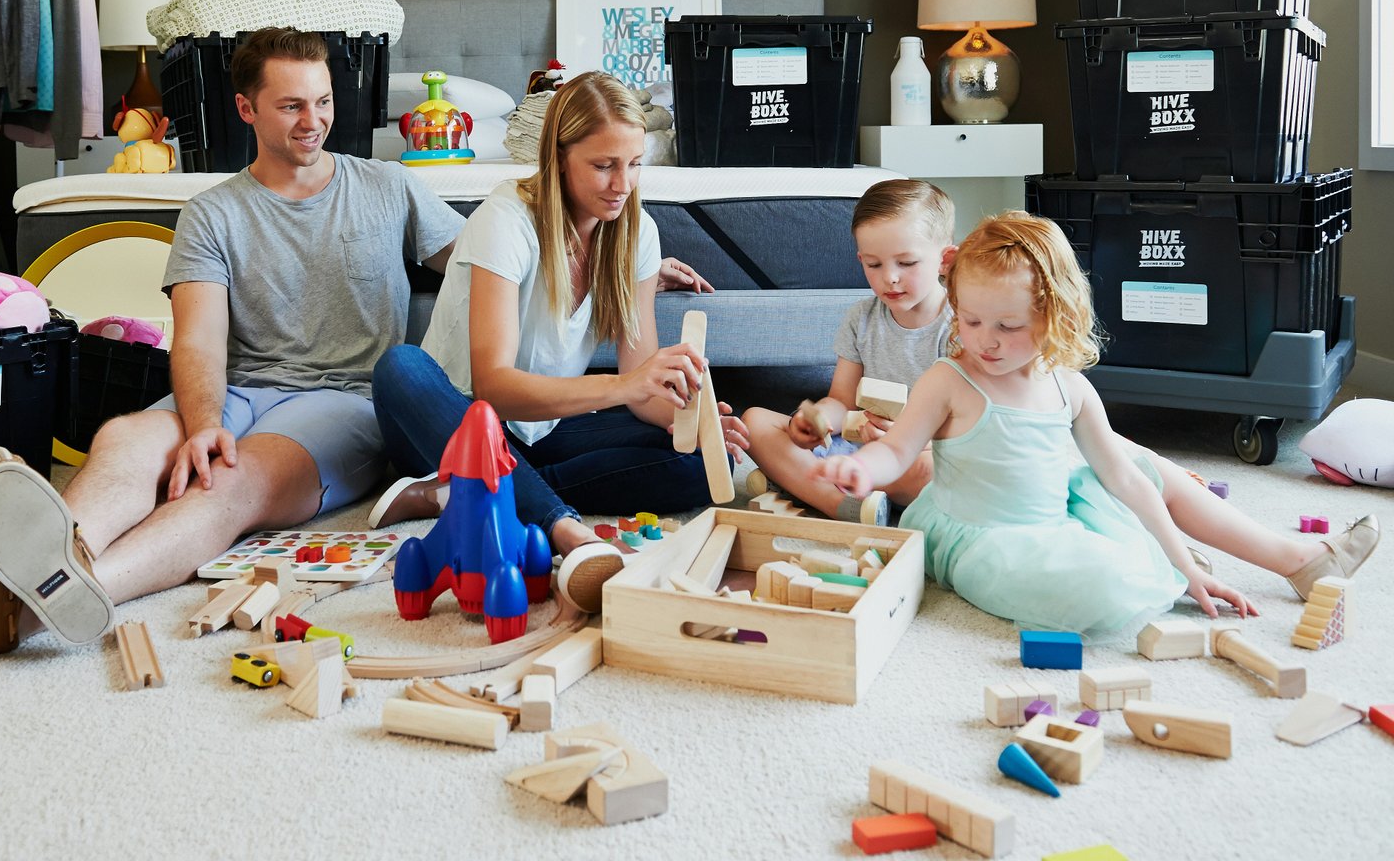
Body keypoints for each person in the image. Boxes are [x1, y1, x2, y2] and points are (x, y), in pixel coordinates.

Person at [0, 27, 465, 660]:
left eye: (323, 101)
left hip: (340, 402)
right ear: (246, 108)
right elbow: (198, 338)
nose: (314, 121)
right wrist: (203, 425)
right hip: (236, 389)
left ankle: (40, 607)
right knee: (125, 439)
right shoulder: (213, 213)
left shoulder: (389, 186)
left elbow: (481, 271)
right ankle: (52, 558)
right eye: (291, 106)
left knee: (226, 484)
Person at [813, 210, 1380, 640]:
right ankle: (1165, 565)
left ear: (1053, 316)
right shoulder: (949, 380)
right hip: (985, 538)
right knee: (1106, 582)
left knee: (1138, 473)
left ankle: (1231, 562)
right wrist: (862, 467)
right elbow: (898, 450)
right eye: (971, 319)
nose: (986, 340)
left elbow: (1127, 481)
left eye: (1009, 326)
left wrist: (1184, 567)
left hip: (1053, 518)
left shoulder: (1070, 387)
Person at [368, 71, 746, 613]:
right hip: (451, 427)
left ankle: (463, 496)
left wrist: (693, 420)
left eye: (635, 164)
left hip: (541, 428)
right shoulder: (506, 220)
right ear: (560, 156)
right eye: (604, 165)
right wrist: (624, 386)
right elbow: (494, 389)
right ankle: (563, 528)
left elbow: (644, 385)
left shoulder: (636, 231)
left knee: (706, 466)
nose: (622, 184)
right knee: (400, 367)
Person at [742, 179, 955, 522]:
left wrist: (906, 439)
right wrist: (818, 422)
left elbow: (965, 427)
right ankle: (840, 502)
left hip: (917, 454)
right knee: (754, 422)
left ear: (944, 260)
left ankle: (802, 483)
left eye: (906, 263)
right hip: (856, 449)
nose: (890, 278)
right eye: (874, 264)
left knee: (933, 471)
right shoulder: (862, 318)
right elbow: (842, 400)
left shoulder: (960, 326)